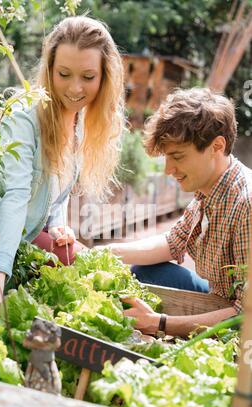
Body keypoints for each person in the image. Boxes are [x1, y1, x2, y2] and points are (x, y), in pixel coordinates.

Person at [0, 15, 125, 317]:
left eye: (88, 77)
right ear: (50, 69)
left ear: (105, 77)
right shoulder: (24, 119)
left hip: (30, 236)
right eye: (64, 74)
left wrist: (57, 224)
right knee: (76, 267)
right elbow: (15, 199)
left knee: (83, 261)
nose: (75, 88)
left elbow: (55, 192)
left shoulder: (79, 121)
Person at [106, 88, 252, 337]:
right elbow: (173, 242)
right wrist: (103, 254)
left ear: (217, 146)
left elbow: (245, 314)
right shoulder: (208, 191)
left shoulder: (246, 204)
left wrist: (160, 322)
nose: (168, 169)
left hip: (240, 318)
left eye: (178, 157)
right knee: (146, 272)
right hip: (217, 296)